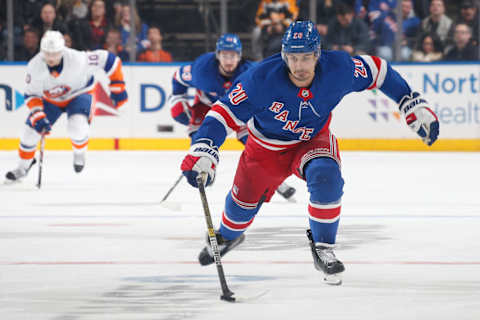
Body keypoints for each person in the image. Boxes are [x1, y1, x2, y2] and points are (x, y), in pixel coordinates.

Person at [180, 21, 439, 285]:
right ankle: (227, 236)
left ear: (317, 54)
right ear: (284, 56)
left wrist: (410, 101)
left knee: (326, 176)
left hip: (312, 140)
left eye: (306, 57)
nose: (299, 66)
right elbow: (222, 114)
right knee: (239, 210)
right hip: (266, 148)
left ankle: (323, 247)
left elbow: (378, 70)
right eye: (293, 58)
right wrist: (205, 148)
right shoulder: (260, 79)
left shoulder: (339, 68)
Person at [169, 33, 297, 200]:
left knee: (253, 143)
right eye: (225, 55)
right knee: (200, 137)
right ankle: (203, 169)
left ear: (240, 56)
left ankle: (274, 181)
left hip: (238, 109)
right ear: (217, 55)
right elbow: (178, 77)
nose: (229, 61)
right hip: (206, 106)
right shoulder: (202, 69)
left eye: (233, 56)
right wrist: (177, 98)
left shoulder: (251, 73)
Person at [5, 30, 128, 182]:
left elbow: (110, 60)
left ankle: (79, 152)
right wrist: (38, 116)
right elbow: (32, 95)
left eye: (55, 53)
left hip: (80, 93)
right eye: (47, 53)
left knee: (76, 127)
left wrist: (118, 86)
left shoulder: (78, 59)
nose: (50, 58)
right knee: (29, 132)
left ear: (62, 50)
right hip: (50, 100)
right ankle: (23, 167)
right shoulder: (35, 66)